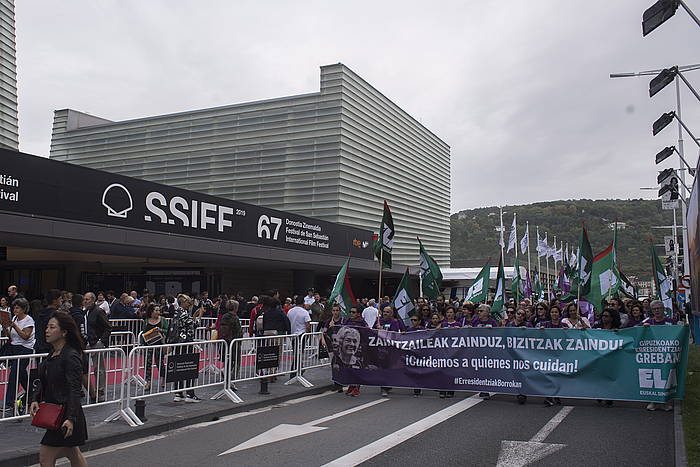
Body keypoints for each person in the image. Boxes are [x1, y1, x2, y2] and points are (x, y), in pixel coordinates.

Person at [30, 311, 88, 467]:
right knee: (72, 453)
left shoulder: (71, 356)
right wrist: (36, 398)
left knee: (45, 457)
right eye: (47, 327)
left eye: (52, 327)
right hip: (55, 412)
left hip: (66, 415)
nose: (47, 330)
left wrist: (71, 418)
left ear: (64, 332)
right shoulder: (53, 353)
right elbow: (45, 381)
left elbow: (75, 389)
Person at [2, 298, 35, 413]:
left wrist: (14, 326)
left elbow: (25, 336)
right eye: (14, 307)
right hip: (14, 348)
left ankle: (9, 402)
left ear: (23, 308)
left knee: (15, 373)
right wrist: (6, 326)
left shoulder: (28, 320)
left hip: (25, 349)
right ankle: (32, 393)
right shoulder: (14, 318)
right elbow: (11, 336)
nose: (15, 309)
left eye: (17, 307)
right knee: (21, 374)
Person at [171, 294, 202, 402]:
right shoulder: (184, 313)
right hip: (186, 343)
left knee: (178, 367)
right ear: (183, 303)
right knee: (189, 367)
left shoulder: (177, 312)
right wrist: (199, 316)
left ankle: (178, 393)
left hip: (178, 343)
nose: (189, 304)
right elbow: (193, 325)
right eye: (188, 302)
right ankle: (190, 394)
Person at [83, 292, 111, 403]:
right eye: (84, 299)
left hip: (96, 342)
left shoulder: (99, 311)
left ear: (93, 300)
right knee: (84, 367)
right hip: (86, 342)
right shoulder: (85, 312)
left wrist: (101, 341)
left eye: (88, 299)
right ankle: (88, 389)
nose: (85, 301)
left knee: (98, 368)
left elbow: (108, 327)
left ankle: (100, 389)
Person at [141, 304, 169, 392]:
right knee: (147, 363)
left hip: (159, 344)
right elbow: (144, 332)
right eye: (156, 310)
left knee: (159, 362)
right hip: (148, 344)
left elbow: (167, 330)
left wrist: (160, 330)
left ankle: (162, 378)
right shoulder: (146, 321)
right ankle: (148, 382)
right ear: (151, 312)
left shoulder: (163, 320)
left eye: (158, 310)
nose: (158, 312)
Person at [219, 300, 243, 389]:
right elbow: (238, 331)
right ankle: (230, 380)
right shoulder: (234, 318)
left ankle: (226, 375)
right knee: (235, 362)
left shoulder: (224, 316)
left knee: (228, 360)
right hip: (234, 342)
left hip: (226, 341)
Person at [321, 304, 345, 392]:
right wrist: (323, 339)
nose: (335, 312)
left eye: (337, 310)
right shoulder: (329, 321)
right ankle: (336, 383)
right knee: (333, 364)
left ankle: (341, 382)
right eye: (334, 310)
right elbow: (324, 332)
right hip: (331, 345)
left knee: (340, 364)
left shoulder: (343, 321)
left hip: (341, 346)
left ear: (340, 311)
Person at [35, 289, 62, 354]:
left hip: (39, 347)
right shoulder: (56, 315)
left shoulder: (40, 313)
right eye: (60, 299)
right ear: (55, 301)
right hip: (51, 348)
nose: (62, 301)